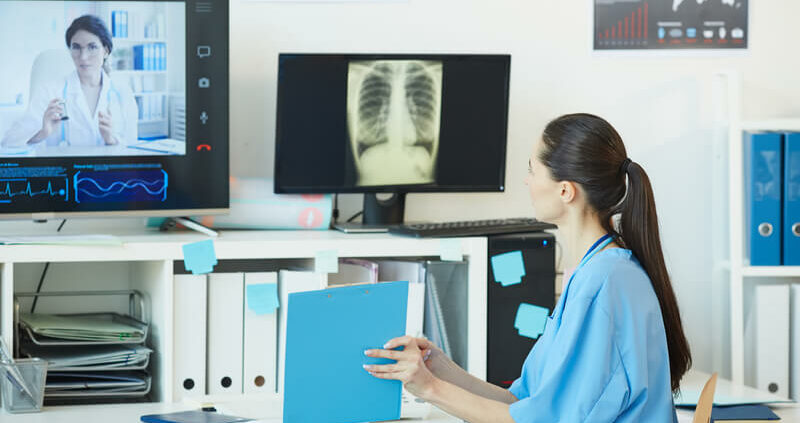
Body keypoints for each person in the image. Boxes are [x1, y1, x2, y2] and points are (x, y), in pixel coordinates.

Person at [364, 113, 692, 422]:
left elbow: (539, 420)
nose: (527, 180)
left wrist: (429, 389)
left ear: (565, 191)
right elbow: (523, 402)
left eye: (533, 170)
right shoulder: (597, 271)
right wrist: (439, 369)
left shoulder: (604, 282)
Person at [1, 15, 138, 149]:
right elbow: (9, 141)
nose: (83, 57)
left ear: (106, 51)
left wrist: (112, 141)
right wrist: (42, 133)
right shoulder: (50, 92)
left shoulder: (123, 93)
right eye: (76, 47)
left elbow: (134, 150)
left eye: (92, 47)